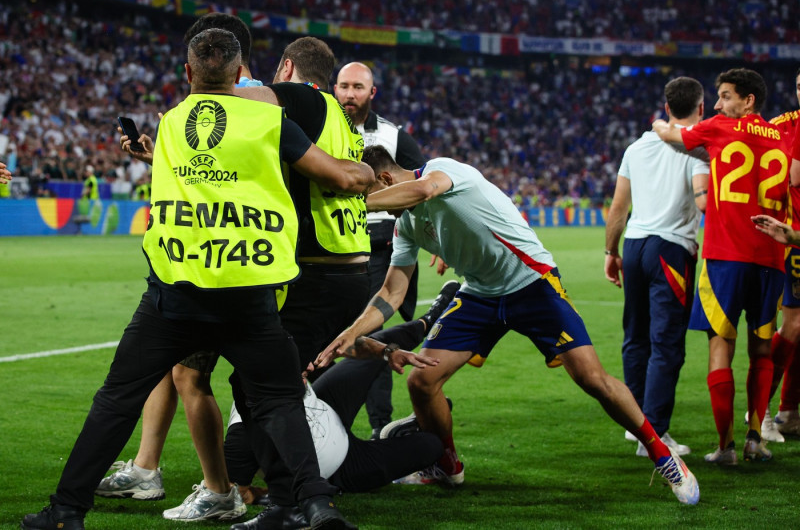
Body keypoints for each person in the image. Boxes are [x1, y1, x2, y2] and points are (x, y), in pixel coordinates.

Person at [21, 28, 371, 530]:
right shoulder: (268, 120)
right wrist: (361, 173)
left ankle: (66, 512)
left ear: (188, 73)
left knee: (116, 400)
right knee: (278, 401)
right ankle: (313, 505)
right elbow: (337, 177)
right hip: (248, 292)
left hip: (175, 293)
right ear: (239, 74)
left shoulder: (170, 123)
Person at [317, 145, 700, 506]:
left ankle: (663, 457)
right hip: (480, 295)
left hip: (531, 282)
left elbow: (423, 190)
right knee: (422, 380)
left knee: (591, 378)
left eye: (365, 191)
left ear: (383, 180)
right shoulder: (407, 227)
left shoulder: (442, 170)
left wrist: (355, 202)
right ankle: (448, 466)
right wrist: (354, 331)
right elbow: (393, 291)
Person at [227, 281, 459, 530]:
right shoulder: (243, 430)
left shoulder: (277, 353)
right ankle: (396, 435)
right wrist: (282, 496)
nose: (305, 369)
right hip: (341, 464)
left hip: (326, 405)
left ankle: (428, 320)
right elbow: (240, 492)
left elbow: (349, 347)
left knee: (375, 346)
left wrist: (387, 351)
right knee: (430, 446)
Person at [653, 68, 792, 465]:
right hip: (770, 259)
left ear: (748, 101)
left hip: (725, 257)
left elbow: (673, 136)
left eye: (726, 96)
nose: (717, 104)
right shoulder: (782, 139)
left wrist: (660, 123)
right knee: (762, 348)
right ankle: (755, 439)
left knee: (720, 348)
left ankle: (726, 447)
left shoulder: (719, 128)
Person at [604, 77, 709, 458]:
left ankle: (636, 425)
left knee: (636, 337)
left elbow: (618, 207)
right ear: (701, 108)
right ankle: (656, 434)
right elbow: (702, 202)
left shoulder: (637, 147)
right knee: (666, 344)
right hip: (670, 250)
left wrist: (609, 252)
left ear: (666, 108)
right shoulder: (695, 150)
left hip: (634, 246)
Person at [334, 61, 427, 438]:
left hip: (378, 246)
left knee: (369, 331)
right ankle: (325, 423)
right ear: (334, 88)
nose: (350, 93)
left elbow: (422, 182)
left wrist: (434, 237)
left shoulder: (392, 136)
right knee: (330, 331)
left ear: (372, 93)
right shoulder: (319, 128)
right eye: (344, 86)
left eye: (358, 87)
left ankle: (378, 427)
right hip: (330, 248)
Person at [759, 68, 800, 440]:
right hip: (791, 240)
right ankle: (762, 410)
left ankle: (789, 410)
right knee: (795, 325)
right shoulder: (783, 128)